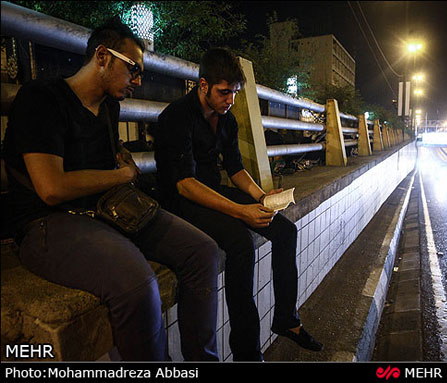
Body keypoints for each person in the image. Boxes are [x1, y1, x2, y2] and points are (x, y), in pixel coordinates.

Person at [3, 18, 219, 361]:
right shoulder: (42, 97)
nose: (138, 80)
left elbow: (110, 159)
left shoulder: (109, 107)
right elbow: (51, 188)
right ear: (102, 56)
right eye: (132, 68)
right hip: (48, 223)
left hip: (106, 211)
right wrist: (122, 176)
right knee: (138, 285)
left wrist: (120, 165)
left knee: (203, 252)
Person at [154, 48, 323, 361]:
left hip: (211, 191)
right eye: (223, 92)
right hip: (180, 201)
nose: (229, 100)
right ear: (202, 85)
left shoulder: (226, 120)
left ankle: (287, 319)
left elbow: (235, 169)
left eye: (233, 93)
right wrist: (240, 211)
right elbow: (184, 185)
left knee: (286, 230)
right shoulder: (177, 117)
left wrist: (261, 197)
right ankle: (247, 352)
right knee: (240, 243)